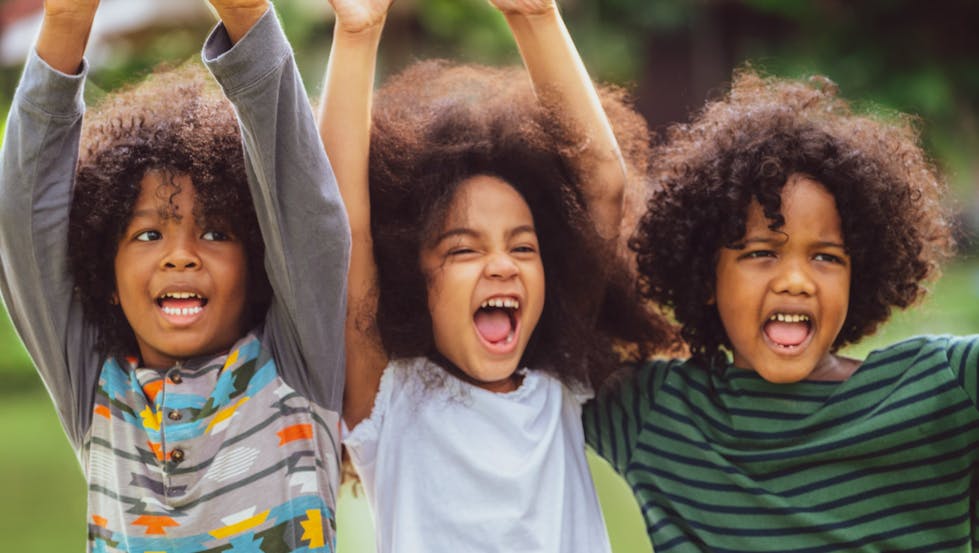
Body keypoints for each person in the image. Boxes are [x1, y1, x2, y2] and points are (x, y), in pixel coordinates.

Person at [317, 0, 673, 550]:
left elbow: (602, 182)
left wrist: (536, 16)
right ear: (414, 281)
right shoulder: (392, 396)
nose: (502, 264)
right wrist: (358, 32)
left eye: (523, 247)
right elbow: (343, 225)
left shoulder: (557, 384)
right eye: (463, 250)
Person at [0, 0, 350, 550]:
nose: (180, 255)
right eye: (147, 235)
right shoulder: (95, 388)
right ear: (106, 279)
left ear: (259, 263)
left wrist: (248, 15)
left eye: (215, 233)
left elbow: (308, 214)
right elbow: (22, 220)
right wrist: (67, 20)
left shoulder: (294, 365)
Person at [584, 68, 977, 552]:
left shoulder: (946, 385)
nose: (795, 280)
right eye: (761, 252)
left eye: (826, 257)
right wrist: (536, 21)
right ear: (708, 277)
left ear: (861, 275)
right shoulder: (658, 413)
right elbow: (595, 188)